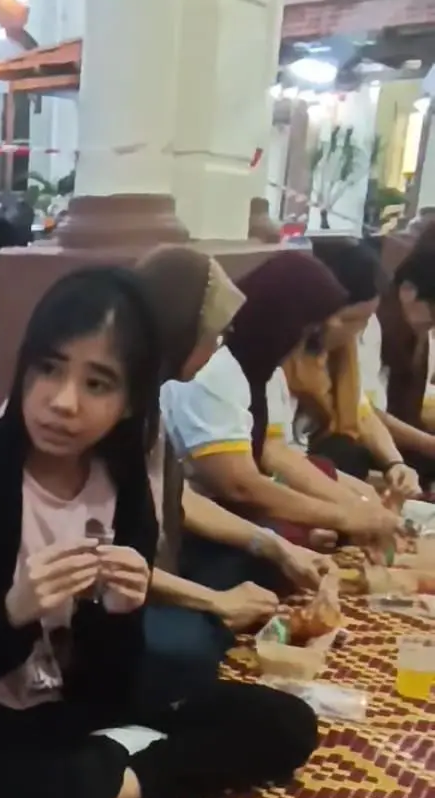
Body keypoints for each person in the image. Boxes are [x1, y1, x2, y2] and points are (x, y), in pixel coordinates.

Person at [0, 269, 317, 798]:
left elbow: (111, 686)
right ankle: (119, 769)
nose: (62, 401)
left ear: (129, 404)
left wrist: (121, 613)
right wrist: (13, 613)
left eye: (97, 383)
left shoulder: (120, 488)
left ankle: (109, 777)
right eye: (48, 368)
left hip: (82, 718)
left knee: (286, 723)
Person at [136, 247, 324, 700]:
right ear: (180, 330)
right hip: (102, 590)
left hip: (148, 568)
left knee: (261, 558)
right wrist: (215, 602)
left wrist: (274, 546)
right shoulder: (116, 402)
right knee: (188, 650)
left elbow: (172, 497)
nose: (217, 348)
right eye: (214, 334)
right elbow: (98, 556)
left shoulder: (149, 395)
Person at [161, 251, 399, 602]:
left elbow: (276, 453)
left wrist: (358, 509)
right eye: (302, 332)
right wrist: (344, 517)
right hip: (193, 528)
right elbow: (239, 485)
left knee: (307, 523)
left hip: (223, 512)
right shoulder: (215, 370)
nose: (302, 345)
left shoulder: (264, 370)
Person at [293, 237, 421, 495]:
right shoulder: (283, 357)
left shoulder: (343, 349)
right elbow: (279, 457)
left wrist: (395, 463)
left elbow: (360, 409)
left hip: (313, 462)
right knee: (345, 454)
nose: (356, 332)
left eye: (364, 320)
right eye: (349, 319)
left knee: (348, 452)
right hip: (291, 469)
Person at [366, 241, 435, 488]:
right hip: (370, 447)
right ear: (408, 291)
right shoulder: (371, 325)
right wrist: (428, 444)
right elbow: (365, 411)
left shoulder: (420, 333)